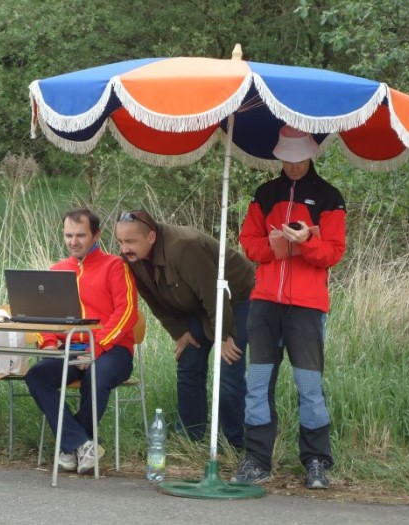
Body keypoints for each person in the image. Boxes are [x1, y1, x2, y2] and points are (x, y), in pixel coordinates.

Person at [231, 125, 346, 490]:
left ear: (311, 154)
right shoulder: (265, 194)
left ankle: (316, 461)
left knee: (308, 386)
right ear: (279, 157)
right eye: (287, 160)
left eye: (299, 160)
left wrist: (304, 244)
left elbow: (334, 252)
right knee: (258, 384)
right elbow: (248, 245)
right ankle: (257, 460)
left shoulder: (330, 197)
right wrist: (277, 244)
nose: (293, 167)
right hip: (264, 301)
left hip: (308, 305)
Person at [115, 210, 255, 447]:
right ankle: (191, 435)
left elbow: (214, 293)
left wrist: (223, 335)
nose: (124, 248)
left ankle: (234, 441)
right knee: (189, 360)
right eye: (120, 241)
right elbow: (153, 299)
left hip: (236, 298)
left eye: (130, 241)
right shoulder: (133, 260)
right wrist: (179, 332)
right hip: (197, 304)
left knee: (229, 366)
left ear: (151, 237)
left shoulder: (184, 247)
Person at [24, 208, 138, 475]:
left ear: (96, 234)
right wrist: (49, 343)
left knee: (96, 375)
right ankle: (82, 444)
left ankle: (71, 447)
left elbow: (127, 312)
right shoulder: (57, 270)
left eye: (81, 235)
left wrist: (95, 349)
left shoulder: (115, 266)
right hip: (70, 350)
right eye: (68, 235)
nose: (73, 241)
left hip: (114, 350)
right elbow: (44, 317)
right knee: (36, 376)